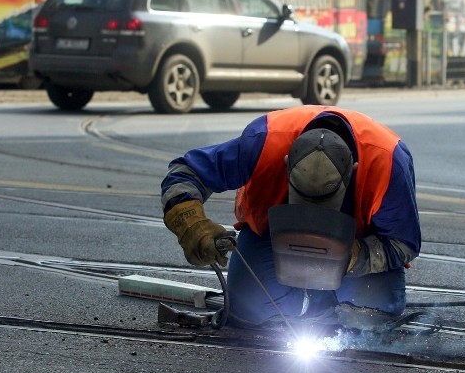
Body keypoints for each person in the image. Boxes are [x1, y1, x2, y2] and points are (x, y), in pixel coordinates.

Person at [161, 105, 421, 328]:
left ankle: (327, 302)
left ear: (353, 171)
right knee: (251, 309)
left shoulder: (388, 161)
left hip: (356, 244)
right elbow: (186, 171)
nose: (312, 218)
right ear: (286, 164)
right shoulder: (264, 141)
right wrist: (192, 225)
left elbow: (403, 243)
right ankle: (314, 306)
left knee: (371, 314)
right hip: (272, 238)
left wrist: (354, 256)